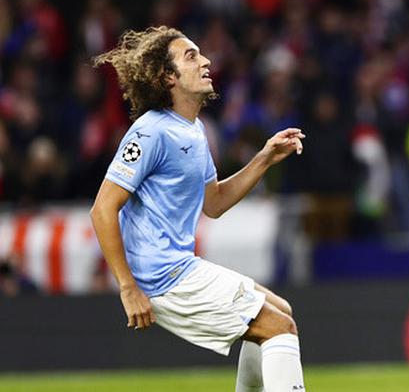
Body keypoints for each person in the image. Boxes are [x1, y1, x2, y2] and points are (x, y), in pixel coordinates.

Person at [89, 26, 308, 392]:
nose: (205, 61)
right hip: (162, 276)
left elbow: (215, 202)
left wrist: (264, 158)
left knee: (280, 314)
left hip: (180, 265)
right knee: (278, 329)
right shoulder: (150, 132)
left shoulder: (194, 130)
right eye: (191, 56)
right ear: (167, 76)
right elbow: (102, 209)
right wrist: (128, 288)